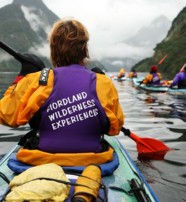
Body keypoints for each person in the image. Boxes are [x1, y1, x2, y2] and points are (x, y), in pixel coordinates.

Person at [0, 17, 124, 166]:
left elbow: (6, 115)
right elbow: (114, 129)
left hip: (41, 160)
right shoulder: (103, 82)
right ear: (85, 49)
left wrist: (20, 79)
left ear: (53, 49)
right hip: (94, 161)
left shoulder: (36, 81)